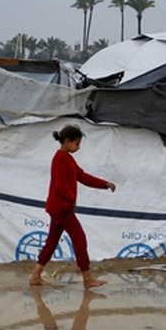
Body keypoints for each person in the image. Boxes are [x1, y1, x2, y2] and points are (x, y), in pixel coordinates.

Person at [29, 124, 116, 289]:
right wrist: (71, 200)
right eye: (76, 143)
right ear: (67, 141)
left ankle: (35, 276)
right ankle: (88, 278)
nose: (79, 147)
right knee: (79, 239)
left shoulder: (67, 158)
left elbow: (82, 176)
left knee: (52, 242)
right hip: (62, 208)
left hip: (58, 208)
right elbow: (60, 186)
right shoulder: (59, 158)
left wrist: (104, 184)